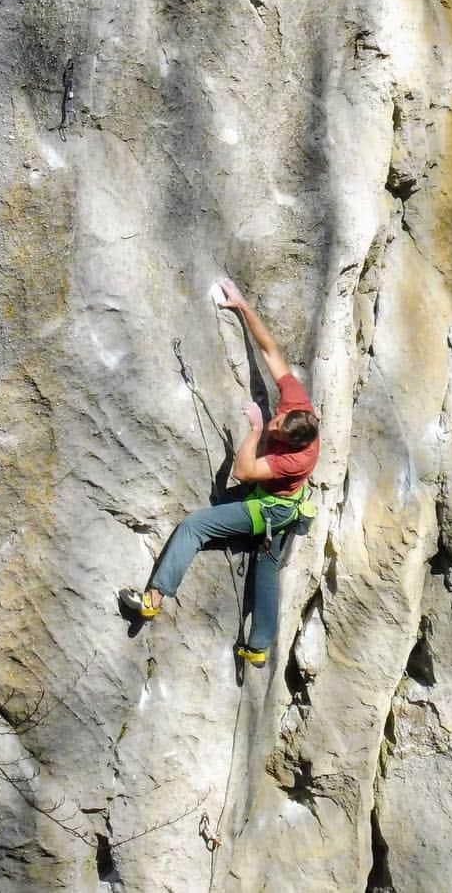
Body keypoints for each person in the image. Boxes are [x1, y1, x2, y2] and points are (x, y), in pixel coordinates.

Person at [118, 278, 319, 666]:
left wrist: (258, 428)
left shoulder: (296, 458)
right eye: (277, 419)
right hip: (286, 507)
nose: (276, 422)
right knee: (266, 566)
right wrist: (243, 307)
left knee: (195, 526)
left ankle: (153, 600)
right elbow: (270, 351)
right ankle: (258, 647)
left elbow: (243, 473)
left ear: (292, 442)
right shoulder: (298, 407)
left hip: (271, 509)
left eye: (279, 428)